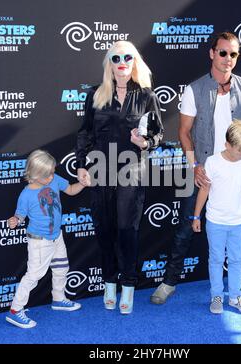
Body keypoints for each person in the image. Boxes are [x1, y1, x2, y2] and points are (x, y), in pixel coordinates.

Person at [151, 31, 241, 305]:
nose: (228, 59)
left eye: (233, 54)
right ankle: (170, 281)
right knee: (187, 225)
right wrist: (195, 165)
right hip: (202, 168)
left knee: (237, 222)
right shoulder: (195, 89)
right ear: (212, 54)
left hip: (235, 168)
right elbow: (184, 132)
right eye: (222, 52)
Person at [75, 40, 163, 314]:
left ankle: (128, 285)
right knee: (104, 230)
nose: (122, 62)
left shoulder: (147, 96)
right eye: (116, 58)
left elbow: (158, 135)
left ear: (134, 61)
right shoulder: (96, 95)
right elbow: (85, 133)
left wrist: (145, 143)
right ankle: (109, 282)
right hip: (101, 171)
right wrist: (81, 165)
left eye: (127, 57)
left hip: (131, 171)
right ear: (109, 64)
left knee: (127, 231)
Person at [6, 149, 90, 329]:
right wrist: (15, 220)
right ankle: (15, 310)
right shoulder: (26, 195)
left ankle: (59, 299)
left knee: (61, 268)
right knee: (34, 275)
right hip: (39, 242)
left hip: (56, 236)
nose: (52, 177)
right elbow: (20, 215)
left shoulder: (54, 180)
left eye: (52, 172)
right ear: (35, 175)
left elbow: (71, 190)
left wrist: (82, 184)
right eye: (47, 174)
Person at [192, 121, 241, 314]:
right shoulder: (212, 162)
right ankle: (217, 296)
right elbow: (204, 190)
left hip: (239, 222)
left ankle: (236, 297)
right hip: (215, 222)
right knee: (216, 260)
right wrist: (196, 216)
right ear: (227, 145)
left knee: (237, 260)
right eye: (239, 151)